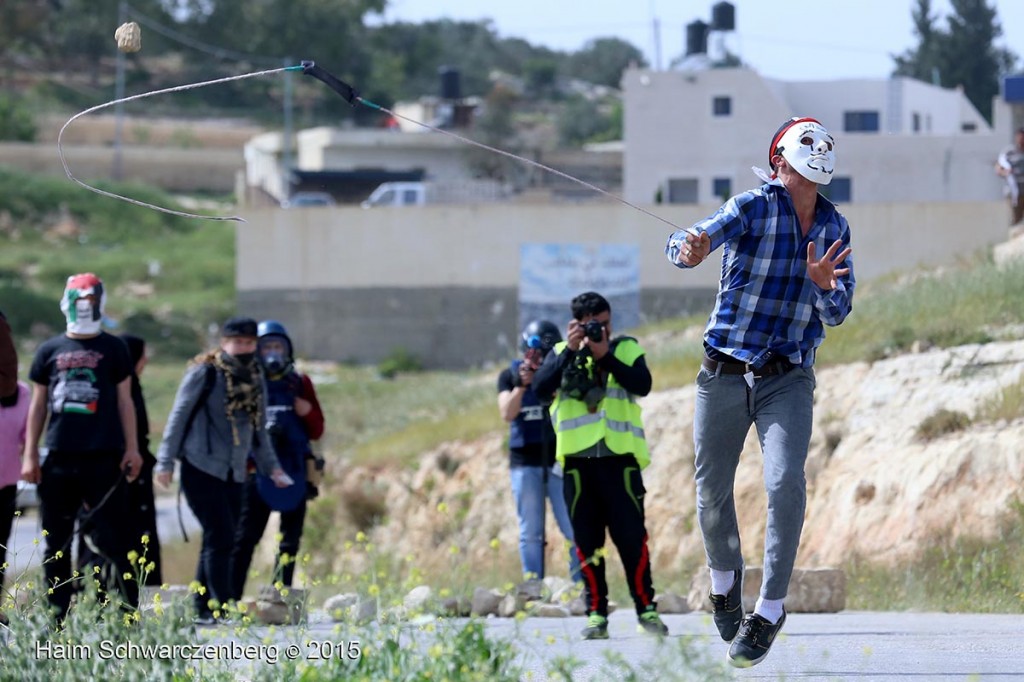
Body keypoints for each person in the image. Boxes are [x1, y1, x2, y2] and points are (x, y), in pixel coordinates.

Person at [666, 116, 854, 667]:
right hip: (724, 369)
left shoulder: (836, 228)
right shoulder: (753, 205)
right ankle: (725, 583)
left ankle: (769, 610)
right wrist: (691, 249)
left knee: (783, 483)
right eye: (800, 161)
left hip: (787, 377)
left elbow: (840, 311)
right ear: (779, 161)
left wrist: (824, 289)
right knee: (711, 490)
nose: (806, 175)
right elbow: (688, 240)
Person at [532, 291, 668, 640]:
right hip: (578, 465)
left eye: (604, 324)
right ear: (574, 324)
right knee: (586, 542)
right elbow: (539, 389)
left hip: (619, 460)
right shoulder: (562, 354)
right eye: (591, 325)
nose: (599, 330)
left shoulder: (624, 349)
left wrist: (604, 354)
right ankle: (595, 613)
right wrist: (572, 351)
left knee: (632, 540)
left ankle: (646, 611)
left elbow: (643, 384)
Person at [21, 273, 142, 622]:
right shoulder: (49, 349)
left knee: (114, 540)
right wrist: (31, 453)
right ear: (67, 302)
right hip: (59, 458)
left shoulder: (114, 347)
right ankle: (56, 617)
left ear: (101, 302)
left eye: (91, 300)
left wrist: (132, 448)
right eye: (79, 299)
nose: (85, 306)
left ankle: (122, 615)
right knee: (56, 543)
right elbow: (38, 405)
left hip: (105, 457)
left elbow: (124, 402)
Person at [155, 316, 291, 624]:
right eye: (238, 342)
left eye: (249, 343)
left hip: (235, 470)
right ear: (224, 342)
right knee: (222, 536)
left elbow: (259, 430)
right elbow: (178, 417)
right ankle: (225, 604)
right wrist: (164, 463)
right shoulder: (205, 373)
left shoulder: (255, 377)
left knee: (220, 538)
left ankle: (202, 606)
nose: (243, 348)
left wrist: (273, 469)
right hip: (200, 465)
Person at [231, 320, 324, 599]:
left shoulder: (299, 383)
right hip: (256, 471)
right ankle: (229, 598)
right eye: (267, 346)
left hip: (294, 469)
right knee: (246, 538)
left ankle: (280, 595)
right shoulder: (247, 383)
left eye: (278, 347)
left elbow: (318, 428)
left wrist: (306, 410)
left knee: (290, 540)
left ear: (287, 350)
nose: (273, 353)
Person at [496, 320, 580, 583]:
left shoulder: (561, 372)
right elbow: (507, 413)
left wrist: (547, 380)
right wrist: (522, 385)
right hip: (525, 463)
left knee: (573, 527)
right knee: (530, 531)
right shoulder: (509, 375)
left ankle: (582, 585)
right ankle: (533, 585)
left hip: (557, 460)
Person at [994, 127, 1024, 227]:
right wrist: (1006, 172)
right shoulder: (1009, 152)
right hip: (1013, 192)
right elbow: (998, 167)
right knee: (1015, 218)